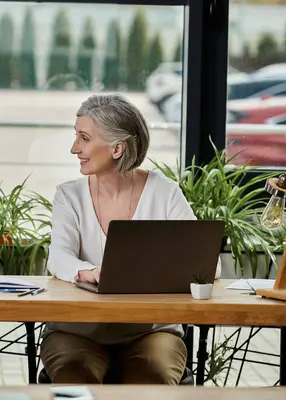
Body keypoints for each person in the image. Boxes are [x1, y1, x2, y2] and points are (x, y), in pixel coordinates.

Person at [41, 93, 198, 385]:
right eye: (76, 137)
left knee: (150, 381)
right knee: (75, 381)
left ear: (117, 148)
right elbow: (58, 257)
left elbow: (204, 264)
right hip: (75, 330)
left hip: (151, 331)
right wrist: (87, 271)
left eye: (84, 138)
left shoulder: (165, 193)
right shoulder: (69, 195)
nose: (74, 148)